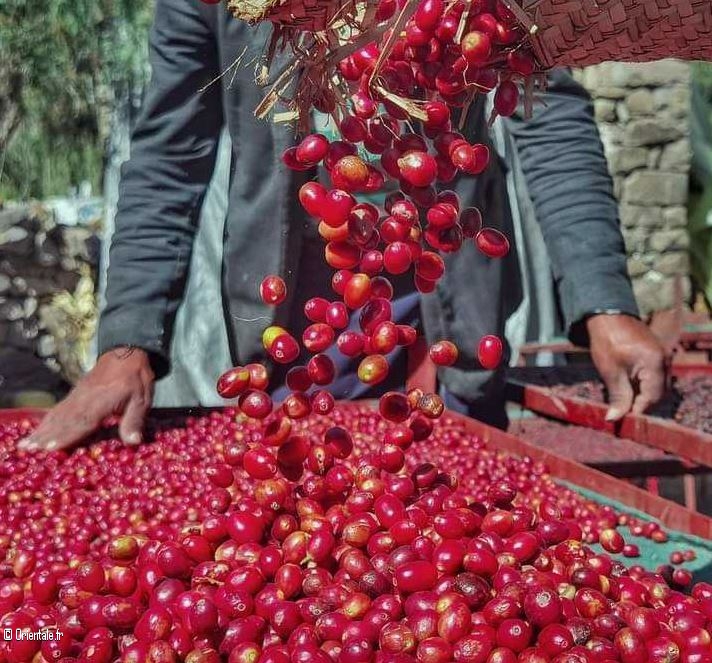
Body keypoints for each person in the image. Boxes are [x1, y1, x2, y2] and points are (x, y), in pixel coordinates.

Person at [20, 0, 665, 451]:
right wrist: (126, 343)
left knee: (451, 544)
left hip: (440, 305)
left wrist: (604, 301)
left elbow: (548, 116)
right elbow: (170, 155)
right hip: (293, 313)